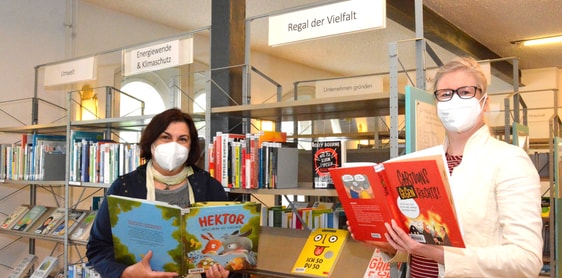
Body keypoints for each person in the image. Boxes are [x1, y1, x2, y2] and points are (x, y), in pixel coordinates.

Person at [349, 57, 543, 277]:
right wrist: (391, 245)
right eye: (445, 94)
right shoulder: (421, 163)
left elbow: (526, 260)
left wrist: (439, 254)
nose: (455, 100)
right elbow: (418, 244)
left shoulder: (510, 161)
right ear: (437, 103)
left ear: (485, 102)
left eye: (466, 92)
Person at [86, 108, 234, 278]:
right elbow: (97, 248)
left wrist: (223, 272)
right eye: (166, 137)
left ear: (191, 146)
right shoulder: (124, 187)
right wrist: (126, 273)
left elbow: (228, 251)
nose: (174, 145)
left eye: (182, 139)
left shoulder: (210, 187)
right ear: (152, 141)